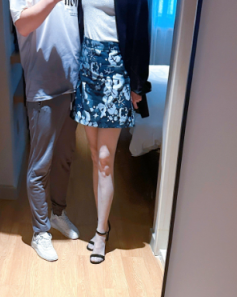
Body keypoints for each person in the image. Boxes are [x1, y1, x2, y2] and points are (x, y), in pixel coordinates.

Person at [73, 0, 151, 264]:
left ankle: (101, 233)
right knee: (95, 155)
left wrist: (138, 85)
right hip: (87, 68)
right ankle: (102, 223)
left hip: (116, 70)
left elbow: (140, 33)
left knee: (106, 160)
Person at [10, 0, 82, 262]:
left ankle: (58, 214)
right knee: (40, 166)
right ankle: (40, 231)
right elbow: (22, 24)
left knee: (64, 159)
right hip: (43, 88)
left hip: (72, 85)